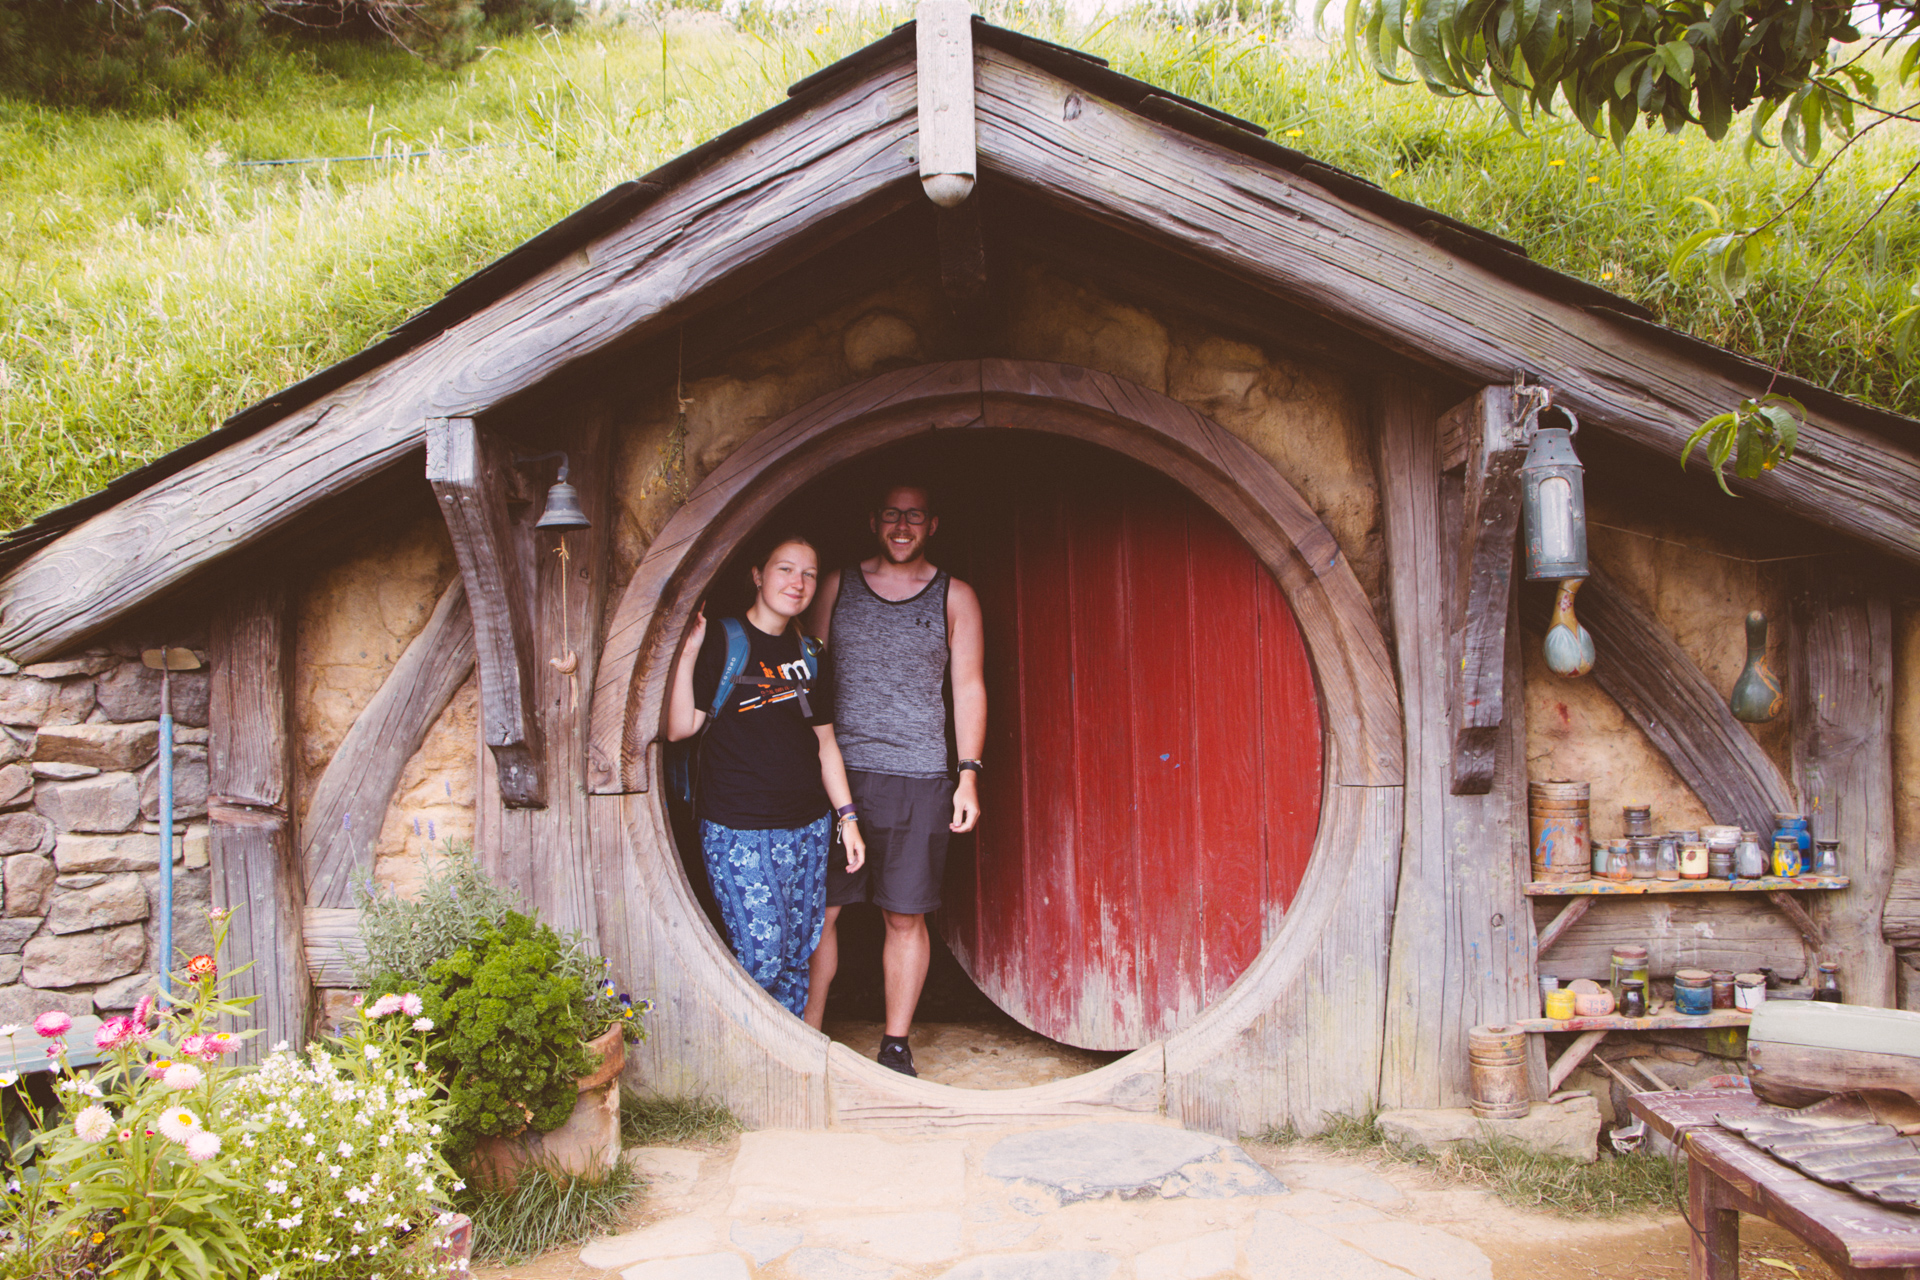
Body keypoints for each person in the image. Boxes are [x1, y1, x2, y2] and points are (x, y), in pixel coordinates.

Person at [801, 483, 985, 1077]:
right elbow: (805, 672)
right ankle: (806, 1033)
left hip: (919, 774)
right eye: (890, 515)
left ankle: (896, 1044)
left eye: (913, 517)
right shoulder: (835, 584)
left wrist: (968, 775)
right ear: (872, 521)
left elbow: (968, 688)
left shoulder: (955, 596)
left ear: (933, 524)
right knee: (821, 909)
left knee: (905, 916)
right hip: (837, 773)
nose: (901, 526)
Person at [667, 535, 866, 1018]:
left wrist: (848, 818)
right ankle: (747, 1067)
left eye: (809, 574)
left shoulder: (811, 652)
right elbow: (679, 729)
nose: (797, 583)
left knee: (799, 955)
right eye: (784, 569)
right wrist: (690, 651)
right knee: (762, 954)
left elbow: (824, 743)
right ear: (758, 574)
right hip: (737, 827)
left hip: (808, 828)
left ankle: (789, 1070)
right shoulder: (722, 638)